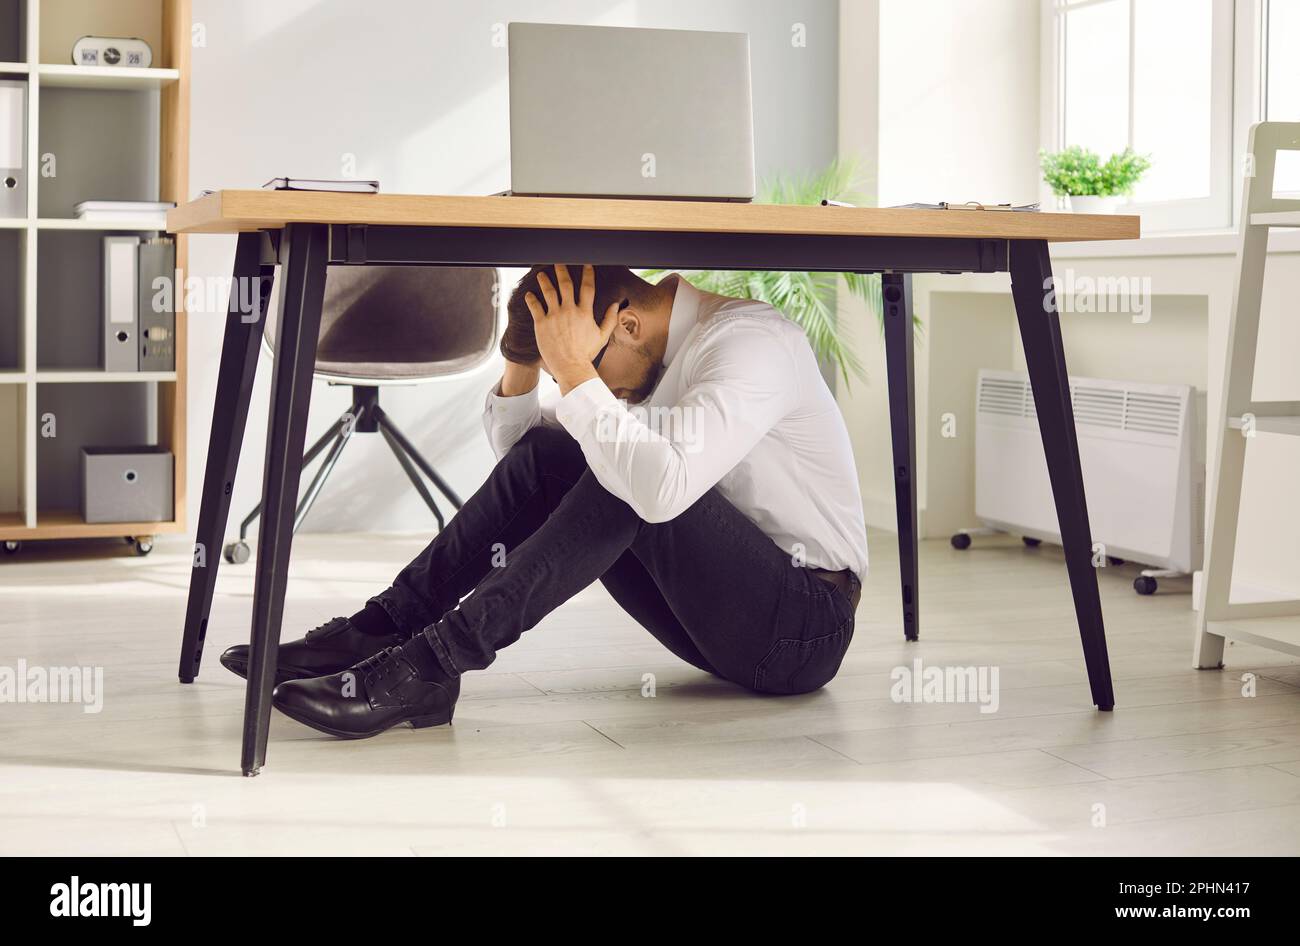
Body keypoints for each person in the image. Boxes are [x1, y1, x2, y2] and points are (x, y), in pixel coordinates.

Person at [221, 264, 868, 738]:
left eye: (571, 370)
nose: (573, 386)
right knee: (574, 453)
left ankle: (431, 665)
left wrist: (581, 376)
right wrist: (525, 361)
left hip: (804, 628)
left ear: (630, 326)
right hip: (716, 627)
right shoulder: (645, 352)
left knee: (631, 480)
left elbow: (662, 490)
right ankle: (379, 632)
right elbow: (527, 467)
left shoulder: (751, 346)